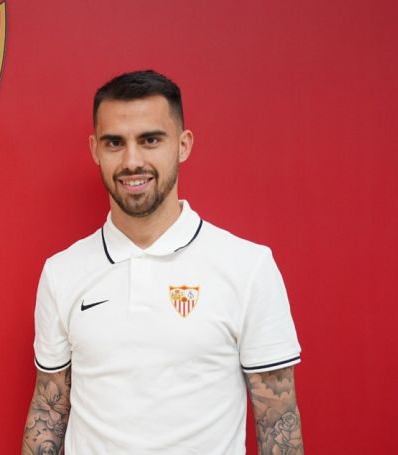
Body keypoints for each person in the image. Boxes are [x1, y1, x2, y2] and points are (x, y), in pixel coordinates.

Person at [22, 70, 303, 455]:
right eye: (114, 143)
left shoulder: (248, 267)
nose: (132, 161)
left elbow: (278, 423)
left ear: (183, 145)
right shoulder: (62, 272)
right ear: (95, 150)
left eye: (150, 140)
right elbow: (48, 409)